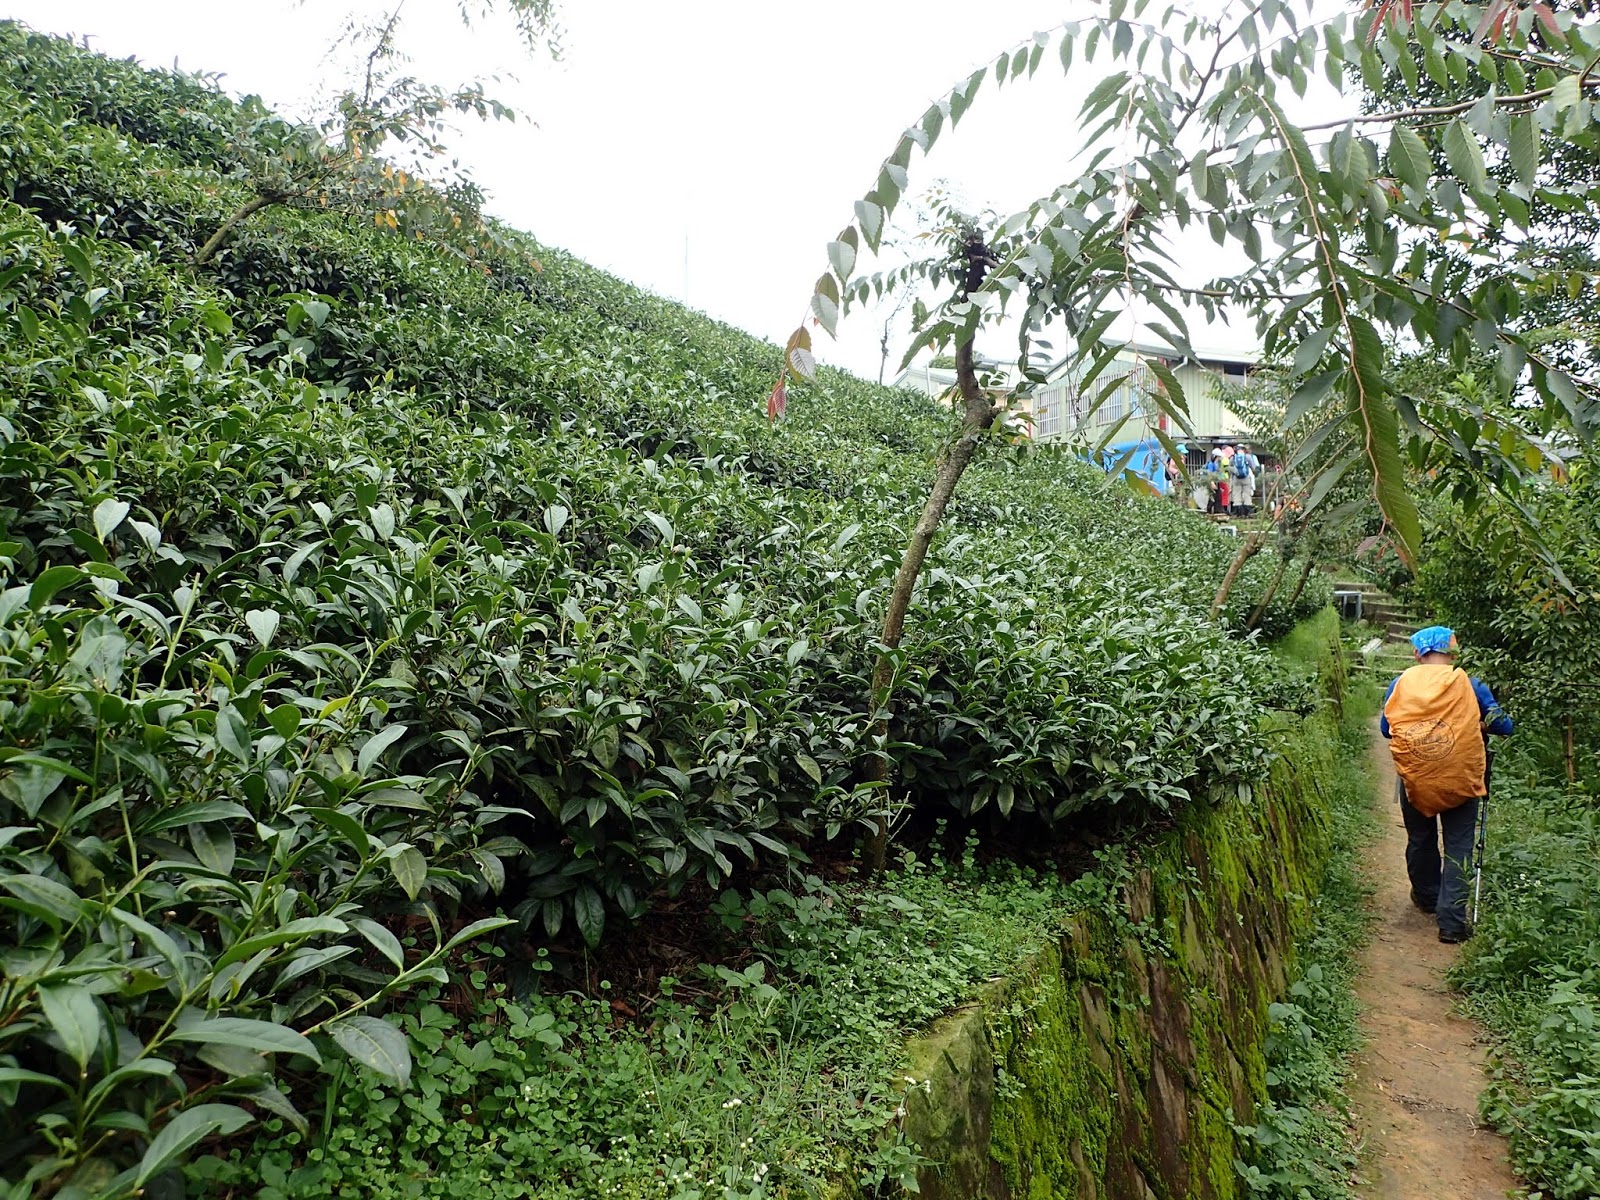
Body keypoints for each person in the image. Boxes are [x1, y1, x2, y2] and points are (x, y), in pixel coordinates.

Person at [1381, 626, 1513, 943]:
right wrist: (1477, 723)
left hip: (1415, 778)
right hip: (1461, 779)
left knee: (1420, 838)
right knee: (1459, 845)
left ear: (1418, 653)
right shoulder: (1469, 683)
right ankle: (1452, 923)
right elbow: (1504, 725)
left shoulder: (1401, 683)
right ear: (1452, 652)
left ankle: (1427, 897)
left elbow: (1387, 728)